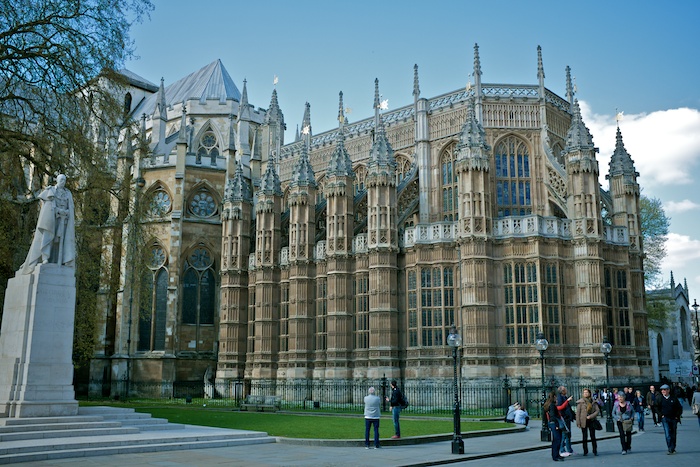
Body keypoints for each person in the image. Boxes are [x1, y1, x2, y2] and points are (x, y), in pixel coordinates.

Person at [21, 173, 76, 274]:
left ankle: (56, 260)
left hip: (63, 220)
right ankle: (45, 257)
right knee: (48, 237)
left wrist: (66, 212)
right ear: (57, 181)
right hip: (52, 219)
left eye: (64, 180)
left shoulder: (68, 193)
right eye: (61, 180)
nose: (63, 182)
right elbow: (50, 205)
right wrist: (59, 211)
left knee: (59, 241)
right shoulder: (51, 191)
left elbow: (70, 207)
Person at [656, 383, 683, 454]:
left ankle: (673, 447)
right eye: (662, 390)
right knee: (667, 434)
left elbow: (679, 408)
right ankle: (670, 448)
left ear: (668, 390)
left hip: (673, 418)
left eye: (664, 390)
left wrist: (677, 416)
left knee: (673, 434)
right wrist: (661, 415)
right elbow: (656, 407)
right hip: (665, 418)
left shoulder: (673, 398)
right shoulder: (660, 398)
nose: (663, 391)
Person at [576, 388, 600, 456]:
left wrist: (591, 416)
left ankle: (595, 450)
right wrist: (578, 422)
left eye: (587, 392)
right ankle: (585, 451)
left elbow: (597, 411)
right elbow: (578, 413)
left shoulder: (593, 401)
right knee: (584, 436)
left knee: (593, 436)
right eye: (584, 392)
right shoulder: (580, 402)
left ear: (589, 393)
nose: (585, 394)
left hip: (591, 420)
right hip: (583, 421)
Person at [544, 390, 565, 462]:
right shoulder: (552, 405)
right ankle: (555, 455)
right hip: (554, 423)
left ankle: (556, 454)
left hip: (551, 423)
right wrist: (556, 425)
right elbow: (553, 415)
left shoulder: (547, 404)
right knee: (557, 439)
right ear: (554, 397)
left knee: (555, 440)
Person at [556, 386, 574, 457]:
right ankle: (562, 450)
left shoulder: (564, 397)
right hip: (564, 419)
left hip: (567, 418)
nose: (566, 390)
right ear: (562, 391)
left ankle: (569, 450)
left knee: (568, 434)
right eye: (565, 389)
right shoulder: (560, 398)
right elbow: (560, 408)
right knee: (564, 435)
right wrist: (568, 401)